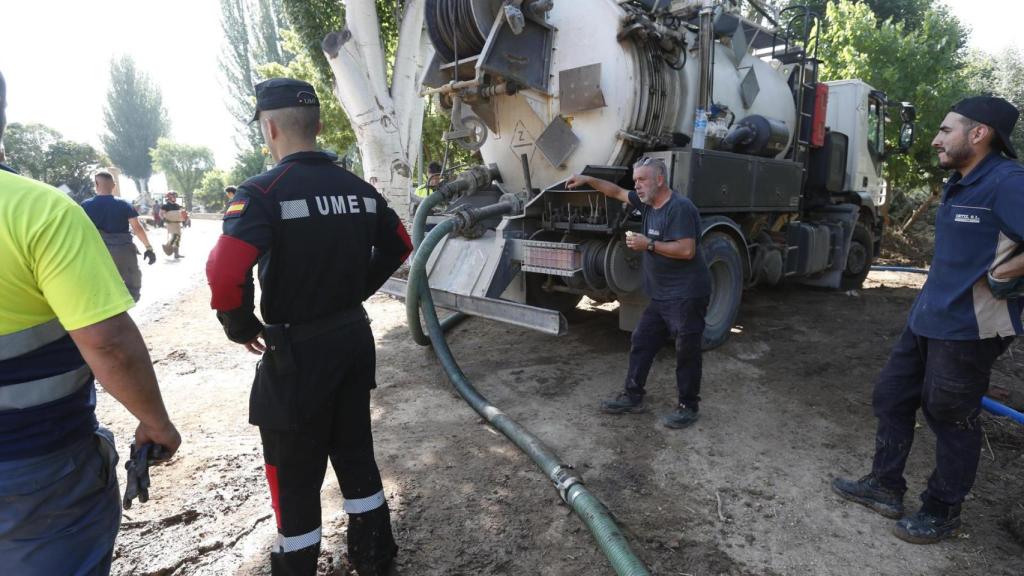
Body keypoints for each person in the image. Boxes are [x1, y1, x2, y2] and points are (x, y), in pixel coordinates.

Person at [206, 77, 412, 575]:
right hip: (352, 339)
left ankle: (296, 565)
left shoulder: (263, 193)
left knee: (293, 470)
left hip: (297, 353)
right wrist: (355, 291)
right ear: (318, 127)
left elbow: (224, 271)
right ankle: (374, 555)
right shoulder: (359, 190)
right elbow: (401, 244)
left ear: (269, 128)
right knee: (354, 449)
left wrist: (241, 325)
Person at [0, 69, 181, 575]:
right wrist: (156, 423)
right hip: (36, 468)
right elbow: (109, 343)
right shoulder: (38, 209)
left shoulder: (71, 206)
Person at [832, 96, 1024, 544]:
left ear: (979, 134)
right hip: (929, 316)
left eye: (945, 130)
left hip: (970, 326)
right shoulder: (962, 180)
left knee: (950, 415)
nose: (936, 139)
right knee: (891, 396)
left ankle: (942, 510)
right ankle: (884, 486)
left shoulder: (1007, 182)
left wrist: (1005, 273)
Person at [566, 156, 712, 429]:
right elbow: (616, 192)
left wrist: (649, 245)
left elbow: (686, 250)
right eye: (635, 181)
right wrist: (588, 180)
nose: (637, 186)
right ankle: (633, 397)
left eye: (642, 180)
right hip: (661, 295)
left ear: (660, 180)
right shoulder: (647, 204)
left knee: (686, 350)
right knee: (642, 341)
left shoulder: (679, 208)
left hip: (687, 294)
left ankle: (688, 406)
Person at [81, 171, 157, 302]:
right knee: (132, 281)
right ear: (114, 185)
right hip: (122, 251)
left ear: (96, 185)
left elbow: (80, 230)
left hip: (97, 251)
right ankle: (128, 304)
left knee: (101, 283)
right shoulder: (124, 204)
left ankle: (108, 307)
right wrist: (148, 248)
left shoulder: (85, 205)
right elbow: (137, 228)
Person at [159, 191, 188, 258]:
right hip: (170, 223)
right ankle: (167, 246)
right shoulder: (165, 206)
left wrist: (185, 220)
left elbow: (181, 214)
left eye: (175, 196)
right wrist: (164, 220)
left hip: (177, 223)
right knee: (175, 236)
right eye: (173, 196)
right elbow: (160, 214)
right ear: (169, 197)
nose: (175, 198)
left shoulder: (177, 206)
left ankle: (176, 254)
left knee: (178, 238)